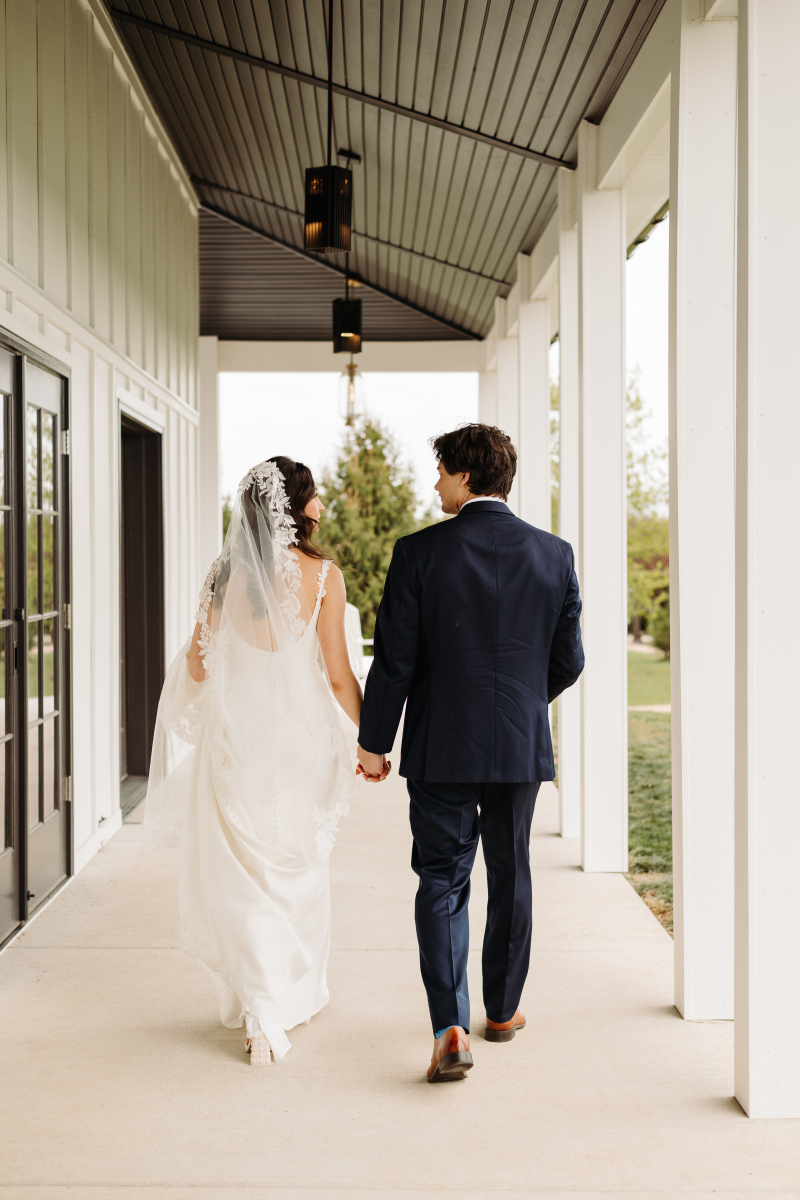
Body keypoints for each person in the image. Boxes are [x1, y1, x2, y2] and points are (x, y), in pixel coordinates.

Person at [357, 424, 584, 1082]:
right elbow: (569, 661)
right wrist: (517, 703)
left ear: (465, 476)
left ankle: (449, 1026)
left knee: (442, 879)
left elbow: (394, 665)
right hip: (518, 746)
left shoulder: (418, 554)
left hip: (441, 748)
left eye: (440, 472)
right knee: (511, 871)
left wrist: (375, 744)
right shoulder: (555, 555)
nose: (434, 484)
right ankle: (504, 1010)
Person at [144, 457, 367, 1065]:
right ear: (295, 506)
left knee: (240, 875)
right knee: (295, 871)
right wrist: (371, 739)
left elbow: (197, 663)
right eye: (315, 495)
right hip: (299, 743)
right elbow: (340, 675)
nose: (322, 504)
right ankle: (280, 1001)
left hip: (237, 742)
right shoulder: (322, 575)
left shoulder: (223, 574)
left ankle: (259, 1005)